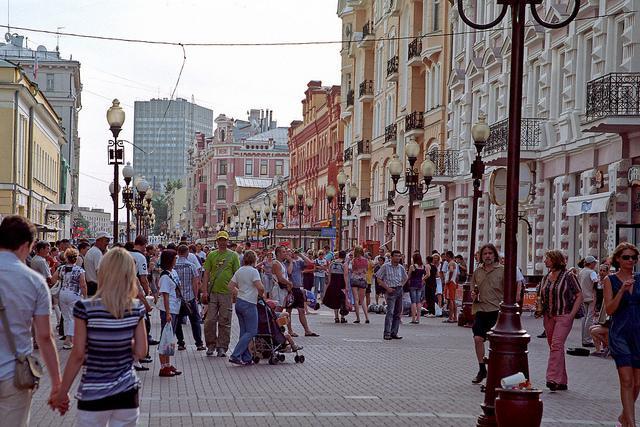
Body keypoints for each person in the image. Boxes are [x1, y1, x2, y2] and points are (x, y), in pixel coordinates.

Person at [50, 247, 147, 425]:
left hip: (93, 392)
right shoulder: (135, 307)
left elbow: (78, 354)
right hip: (127, 391)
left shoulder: (85, 308)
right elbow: (141, 350)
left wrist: (62, 392)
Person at [0, 216, 61, 426]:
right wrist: (57, 384)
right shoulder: (33, 281)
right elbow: (44, 336)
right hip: (13, 375)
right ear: (26, 245)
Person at [603, 243, 640, 427]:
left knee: (637, 383)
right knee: (626, 380)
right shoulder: (610, 280)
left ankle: (624, 417)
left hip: (639, 334)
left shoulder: (639, 279)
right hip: (620, 334)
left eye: (633, 257)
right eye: (626, 257)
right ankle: (631, 424)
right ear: (618, 259)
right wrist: (622, 292)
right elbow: (610, 309)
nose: (630, 261)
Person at [537, 249, 583, 391]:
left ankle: (552, 378)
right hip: (549, 316)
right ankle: (562, 380)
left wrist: (572, 314)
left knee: (556, 345)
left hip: (564, 315)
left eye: (548, 259)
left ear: (555, 260)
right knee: (555, 347)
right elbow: (541, 295)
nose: (545, 261)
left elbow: (579, 295)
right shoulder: (546, 276)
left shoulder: (569, 276)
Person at [202, 231, 240, 357]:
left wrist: (237, 292)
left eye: (224, 240)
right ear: (217, 242)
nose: (222, 242)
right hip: (213, 292)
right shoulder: (211, 255)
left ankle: (222, 347)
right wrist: (204, 291)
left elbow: (237, 275)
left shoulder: (233, 256)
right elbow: (206, 273)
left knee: (225, 320)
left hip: (226, 293)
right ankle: (211, 345)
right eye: (220, 240)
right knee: (210, 320)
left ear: (227, 241)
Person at [470, 244, 503, 384]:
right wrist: (473, 294)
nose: (488, 256)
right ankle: (482, 368)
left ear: (494, 255)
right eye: (485, 254)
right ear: (481, 256)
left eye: (490, 253)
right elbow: (473, 289)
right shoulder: (478, 271)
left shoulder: (502, 270)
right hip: (481, 310)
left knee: (496, 343)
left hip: (497, 311)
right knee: (478, 339)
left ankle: (497, 370)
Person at [228, 250, 265, 366]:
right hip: (249, 303)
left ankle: (246, 357)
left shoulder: (239, 270)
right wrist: (260, 294)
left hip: (239, 302)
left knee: (244, 331)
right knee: (252, 331)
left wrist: (239, 293)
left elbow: (230, 286)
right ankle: (235, 354)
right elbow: (260, 286)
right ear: (254, 260)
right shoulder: (253, 271)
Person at [51, 249, 87, 350]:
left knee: (66, 317)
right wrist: (86, 296)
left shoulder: (61, 268)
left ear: (66, 257)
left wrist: (62, 280)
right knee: (72, 317)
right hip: (75, 294)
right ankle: (69, 339)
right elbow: (83, 285)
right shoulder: (79, 270)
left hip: (63, 293)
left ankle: (68, 338)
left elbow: (53, 279)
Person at [174, 245, 204, 351]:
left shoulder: (173, 266)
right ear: (187, 253)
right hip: (189, 297)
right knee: (195, 321)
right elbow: (195, 283)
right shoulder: (191, 266)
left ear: (178, 253)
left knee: (177, 321)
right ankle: (199, 343)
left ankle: (181, 343)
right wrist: (196, 296)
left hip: (177, 299)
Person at [157, 249, 182, 377]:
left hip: (175, 308)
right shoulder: (165, 276)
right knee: (165, 338)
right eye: (174, 258)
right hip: (169, 309)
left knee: (170, 338)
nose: (176, 260)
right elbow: (165, 295)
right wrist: (167, 313)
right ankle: (163, 366)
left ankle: (167, 364)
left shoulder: (174, 272)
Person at [375, 250, 408, 340]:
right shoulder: (385, 266)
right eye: (396, 256)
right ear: (392, 257)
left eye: (399, 256)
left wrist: (401, 285)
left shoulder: (401, 267)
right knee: (390, 312)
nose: (398, 258)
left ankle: (394, 332)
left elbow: (406, 277)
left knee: (397, 313)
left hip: (399, 290)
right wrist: (387, 288)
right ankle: (387, 333)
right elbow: (378, 279)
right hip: (390, 290)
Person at [285, 249, 319, 337]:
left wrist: (300, 255)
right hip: (290, 290)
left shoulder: (299, 262)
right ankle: (290, 330)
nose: (290, 253)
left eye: (290, 252)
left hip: (298, 288)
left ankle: (307, 330)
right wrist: (291, 261)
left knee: (301, 310)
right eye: (288, 252)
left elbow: (310, 263)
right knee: (288, 311)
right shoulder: (286, 263)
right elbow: (289, 272)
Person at [322, 250, 350, 323]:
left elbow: (329, 274)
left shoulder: (332, 263)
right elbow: (345, 275)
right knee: (342, 300)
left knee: (335, 300)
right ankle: (342, 317)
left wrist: (329, 283)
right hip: (341, 283)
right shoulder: (344, 263)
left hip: (333, 282)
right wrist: (346, 286)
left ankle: (336, 317)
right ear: (344, 256)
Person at [578, 255, 599, 347]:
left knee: (584, 317)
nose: (595, 264)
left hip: (582, 297)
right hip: (591, 296)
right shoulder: (592, 272)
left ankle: (584, 339)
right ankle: (587, 340)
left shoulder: (581, 272)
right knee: (590, 318)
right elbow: (595, 282)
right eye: (594, 263)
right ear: (591, 263)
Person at [84, 231, 111, 297]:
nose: (107, 243)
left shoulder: (92, 251)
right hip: (96, 287)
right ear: (99, 241)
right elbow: (99, 272)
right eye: (106, 241)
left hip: (91, 286)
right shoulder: (97, 253)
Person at [350, 246, 370, 324]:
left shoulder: (354, 260)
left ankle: (358, 318)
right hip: (362, 279)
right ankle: (367, 317)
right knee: (362, 300)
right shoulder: (366, 260)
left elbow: (352, 270)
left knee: (356, 299)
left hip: (354, 279)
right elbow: (366, 270)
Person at [407, 253, 427, 324]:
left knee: (413, 301)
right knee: (419, 301)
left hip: (413, 283)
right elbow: (426, 274)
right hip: (420, 284)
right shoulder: (423, 266)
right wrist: (422, 280)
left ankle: (413, 318)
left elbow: (408, 276)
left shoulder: (412, 266)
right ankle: (418, 318)